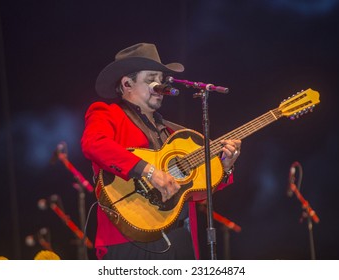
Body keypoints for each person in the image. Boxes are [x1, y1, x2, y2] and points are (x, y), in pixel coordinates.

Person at [81, 42, 241, 260]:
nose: (160, 84)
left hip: (180, 237)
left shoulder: (174, 132)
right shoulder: (107, 114)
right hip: (130, 239)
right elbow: (94, 143)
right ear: (127, 83)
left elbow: (197, 191)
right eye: (150, 79)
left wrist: (225, 166)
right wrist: (148, 171)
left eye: (162, 79)